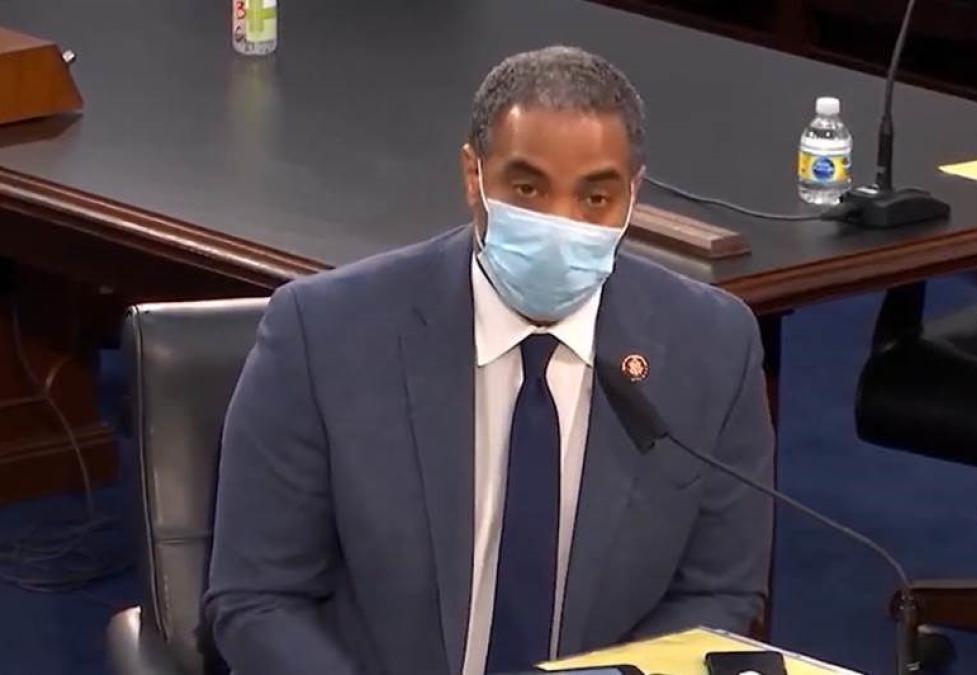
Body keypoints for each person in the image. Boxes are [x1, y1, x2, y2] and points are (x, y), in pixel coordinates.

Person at [204, 45, 774, 675]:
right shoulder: (325, 333)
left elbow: (718, 591)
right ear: (473, 176)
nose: (561, 222)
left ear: (632, 196)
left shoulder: (711, 347)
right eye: (528, 189)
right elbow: (257, 599)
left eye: (595, 198)